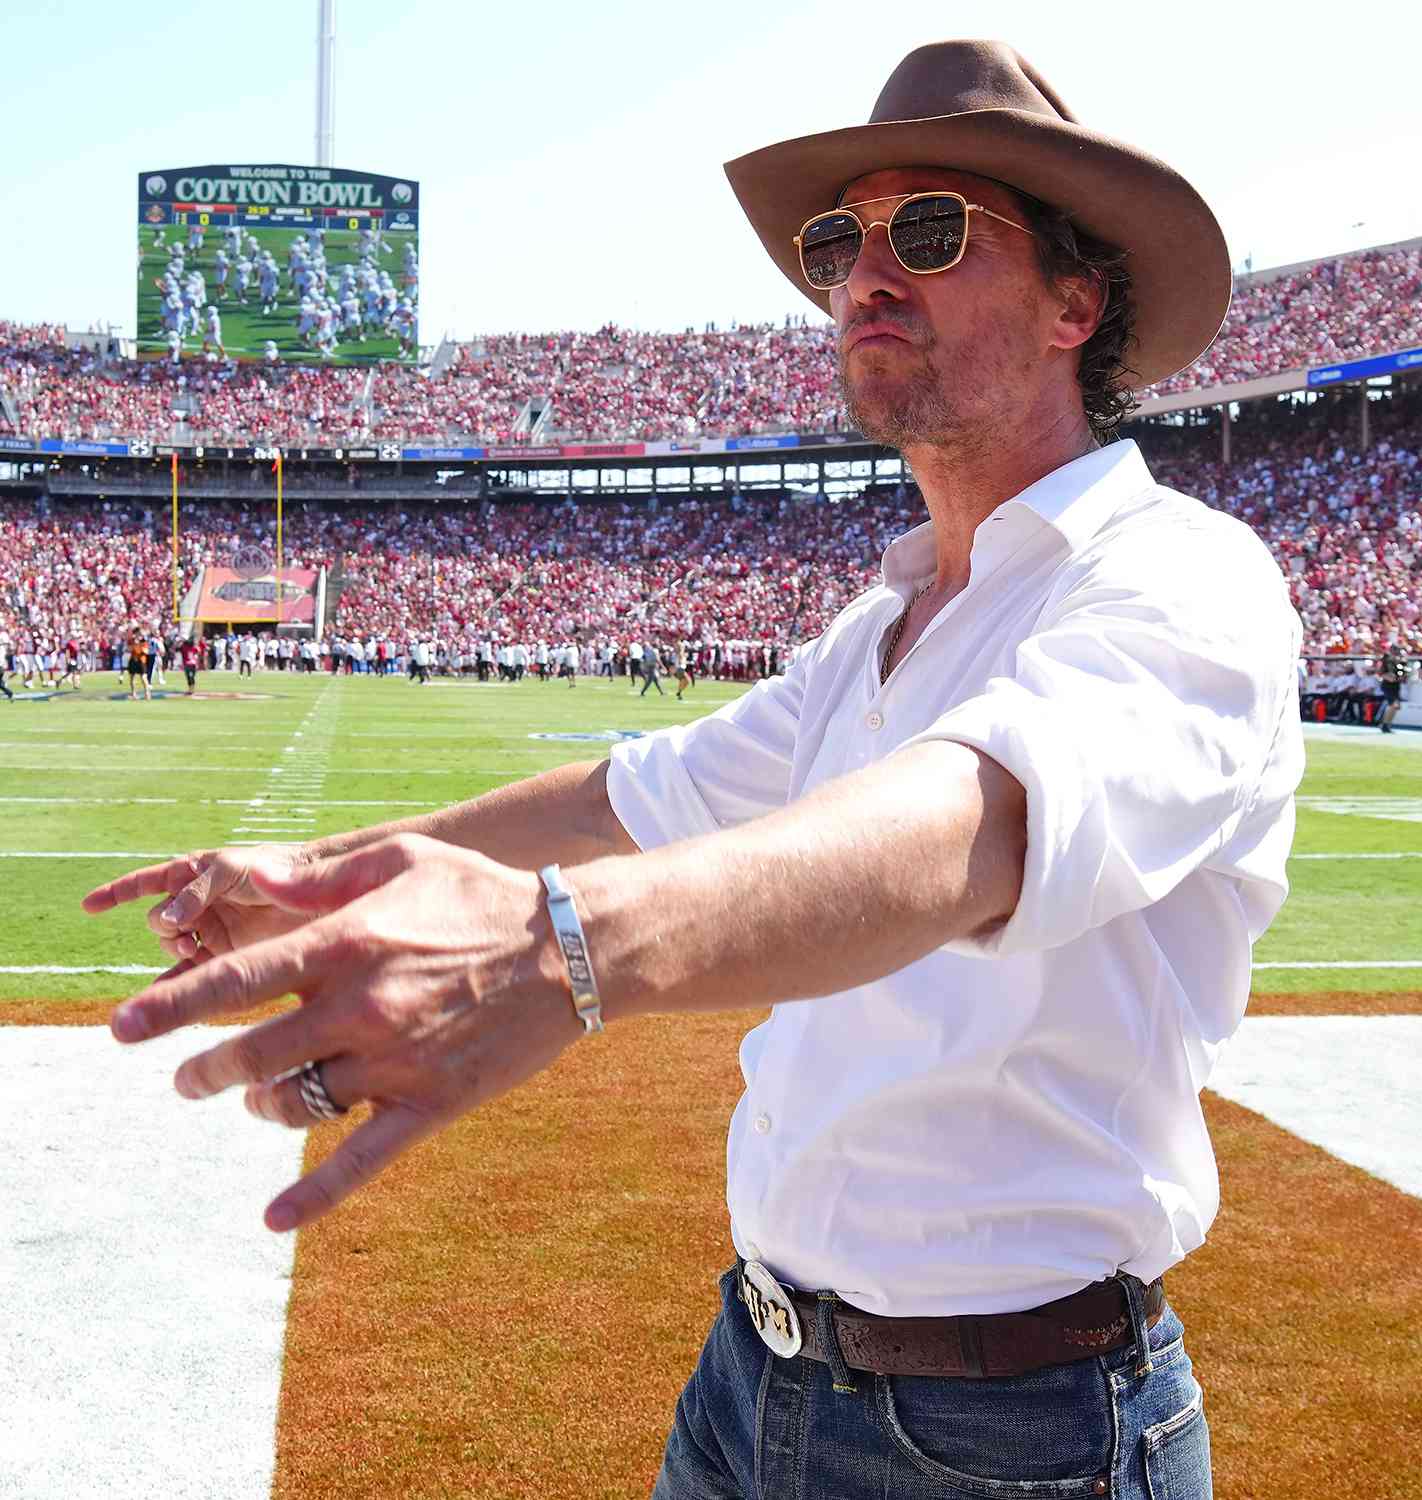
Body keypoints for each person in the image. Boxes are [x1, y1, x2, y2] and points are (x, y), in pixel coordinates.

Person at [84, 41, 1301, 1500]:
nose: (863, 275)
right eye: (838, 241)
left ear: (1073, 303)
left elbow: (971, 826)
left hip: (1017, 1430)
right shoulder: (879, 628)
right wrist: (333, 882)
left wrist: (559, 958)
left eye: (929, 232)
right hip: (760, 1373)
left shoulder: (1185, 579)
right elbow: (627, 799)